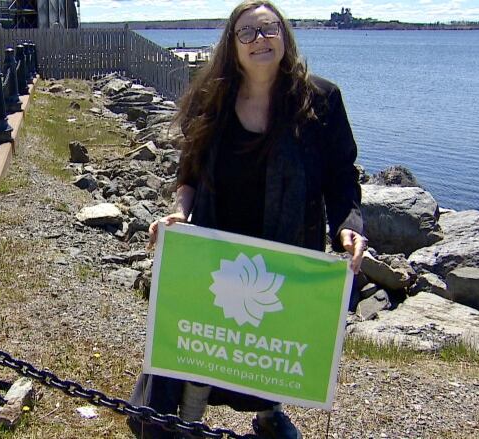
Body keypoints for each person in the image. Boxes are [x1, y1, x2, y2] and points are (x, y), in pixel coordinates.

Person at [129, 1, 368, 438]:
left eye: (269, 29)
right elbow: (192, 170)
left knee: (271, 343)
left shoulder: (322, 100)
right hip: (217, 245)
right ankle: (190, 418)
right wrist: (179, 213)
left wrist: (348, 225)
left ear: (285, 36)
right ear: (232, 46)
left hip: (289, 245)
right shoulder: (212, 98)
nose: (260, 40)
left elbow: (341, 177)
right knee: (208, 342)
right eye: (247, 33)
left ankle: (268, 416)